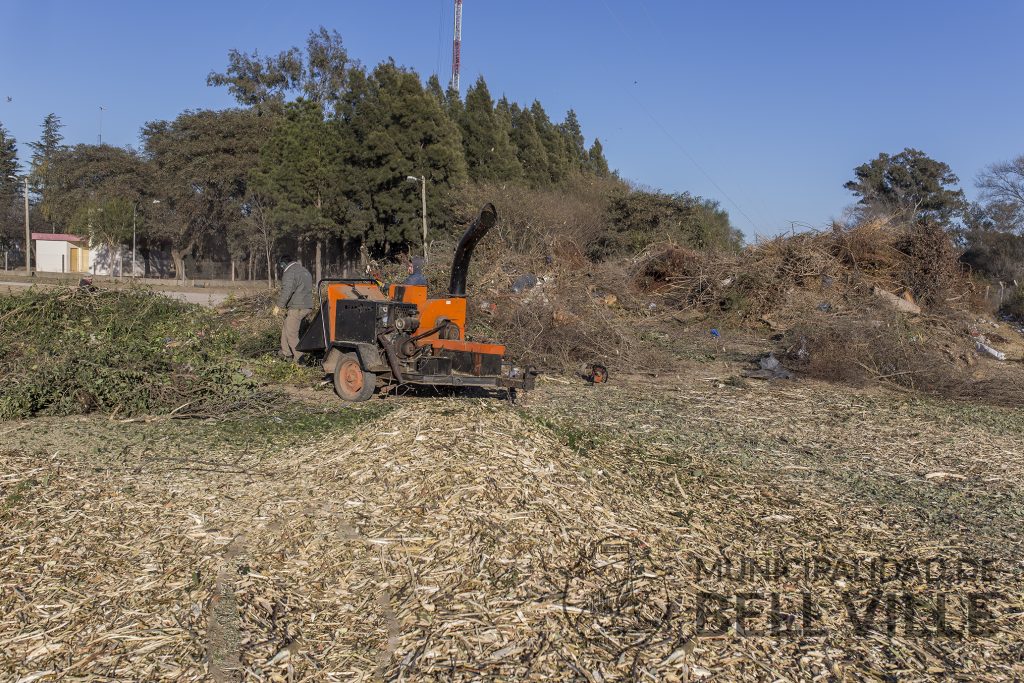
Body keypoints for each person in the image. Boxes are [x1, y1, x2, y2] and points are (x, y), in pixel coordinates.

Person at [272, 254, 313, 362]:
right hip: (307, 306)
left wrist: (278, 306)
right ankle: (286, 354)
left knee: (291, 334)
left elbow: (287, 291)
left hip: (297, 307)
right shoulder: (304, 270)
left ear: (283, 264)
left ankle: (300, 359)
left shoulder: (289, 272)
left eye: (281, 266)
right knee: (287, 327)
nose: (281, 268)